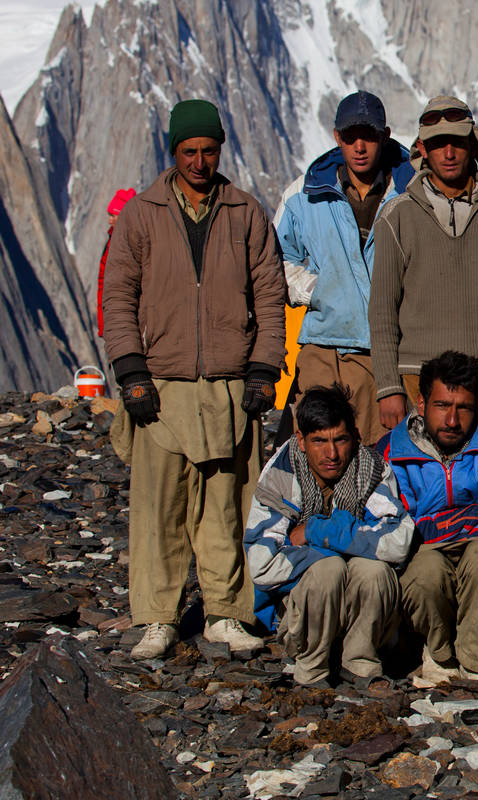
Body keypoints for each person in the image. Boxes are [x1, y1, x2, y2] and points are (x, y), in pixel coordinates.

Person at [102, 99, 285, 659]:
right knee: (158, 509)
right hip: (161, 385)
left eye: (208, 151)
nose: (200, 162)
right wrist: (130, 370)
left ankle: (225, 612)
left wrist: (264, 368)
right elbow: (118, 297)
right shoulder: (142, 214)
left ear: (220, 149)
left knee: (226, 507)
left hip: (229, 386)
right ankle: (158, 618)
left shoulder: (246, 212)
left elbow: (270, 296)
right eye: (189, 151)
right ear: (174, 151)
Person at [369, 95, 478, 441]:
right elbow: (382, 311)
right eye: (437, 144)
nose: (448, 153)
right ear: (422, 149)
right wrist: (388, 386)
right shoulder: (396, 216)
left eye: (457, 143)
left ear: (473, 144)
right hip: (417, 381)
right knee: (421, 474)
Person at [243, 385, 415, 686]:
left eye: (340, 440)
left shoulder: (372, 469)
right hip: (303, 613)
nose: (332, 454)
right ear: (301, 440)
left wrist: (316, 531)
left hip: (357, 605)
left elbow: (398, 542)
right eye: (319, 441)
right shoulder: (281, 474)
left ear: (355, 436)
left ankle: (361, 662)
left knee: (373, 572)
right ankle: (312, 666)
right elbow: (262, 563)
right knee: (328, 570)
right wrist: (344, 551)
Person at [274, 91, 415, 447]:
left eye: (369, 136)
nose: (359, 147)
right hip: (322, 348)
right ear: (337, 137)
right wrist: (316, 290)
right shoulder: (305, 193)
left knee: (377, 457)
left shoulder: (412, 192)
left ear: (385, 136)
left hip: (387, 353)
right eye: (350, 137)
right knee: (316, 451)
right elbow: (275, 259)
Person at [379, 350, 478, 688]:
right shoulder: (393, 450)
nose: (453, 420)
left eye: (464, 408)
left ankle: (476, 663)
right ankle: (439, 657)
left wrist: (437, 526)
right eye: (442, 406)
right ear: (421, 403)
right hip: (423, 552)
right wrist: (465, 518)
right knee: (426, 572)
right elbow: (402, 527)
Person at [98, 187, 136, 336]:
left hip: (123, 320)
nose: (110, 220)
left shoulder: (129, 243)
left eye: (113, 215)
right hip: (115, 318)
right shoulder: (113, 240)